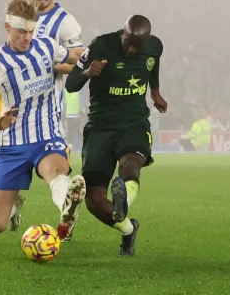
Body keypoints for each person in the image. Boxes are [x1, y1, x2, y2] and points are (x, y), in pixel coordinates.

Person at [0, 0, 84, 242]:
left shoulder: (47, 41)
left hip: (46, 129)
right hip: (11, 135)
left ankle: (68, 202)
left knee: (55, 173)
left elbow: (76, 58)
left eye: (31, 32)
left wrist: (97, 64)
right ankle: (2, 202)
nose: (28, 37)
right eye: (22, 32)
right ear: (8, 27)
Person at [65, 15, 168, 256]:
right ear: (122, 32)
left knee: (130, 163)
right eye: (128, 43)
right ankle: (128, 228)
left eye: (137, 46)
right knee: (94, 200)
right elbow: (70, 84)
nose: (132, 50)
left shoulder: (155, 46)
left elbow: (152, 66)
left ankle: (124, 203)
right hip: (101, 126)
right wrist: (88, 72)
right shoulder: (99, 46)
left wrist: (155, 93)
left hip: (134, 122)